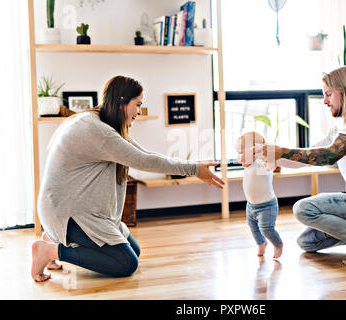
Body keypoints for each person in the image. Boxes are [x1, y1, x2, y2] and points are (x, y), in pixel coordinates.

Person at [31, 75, 224, 282]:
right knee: (125, 263)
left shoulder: (102, 123)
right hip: (66, 212)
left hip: (75, 210)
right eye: (138, 105)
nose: (139, 112)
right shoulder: (97, 130)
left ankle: (53, 239)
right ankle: (50, 251)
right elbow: (144, 160)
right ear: (122, 100)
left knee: (134, 251)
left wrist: (194, 167)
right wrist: (194, 169)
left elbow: (145, 154)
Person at [251, 66, 346, 266]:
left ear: (345, 91)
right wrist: (275, 159)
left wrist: (282, 151)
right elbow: (312, 153)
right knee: (305, 242)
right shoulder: (341, 125)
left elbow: (329, 155)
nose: (325, 101)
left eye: (329, 94)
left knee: (303, 209)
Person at [235, 131, 283, 259]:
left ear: (255, 151)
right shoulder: (248, 164)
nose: (238, 158)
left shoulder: (261, 164)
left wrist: (265, 153)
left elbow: (271, 165)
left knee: (266, 229)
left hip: (266, 206)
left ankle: (278, 244)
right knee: (253, 228)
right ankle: (261, 243)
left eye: (240, 153)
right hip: (250, 206)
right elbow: (245, 161)